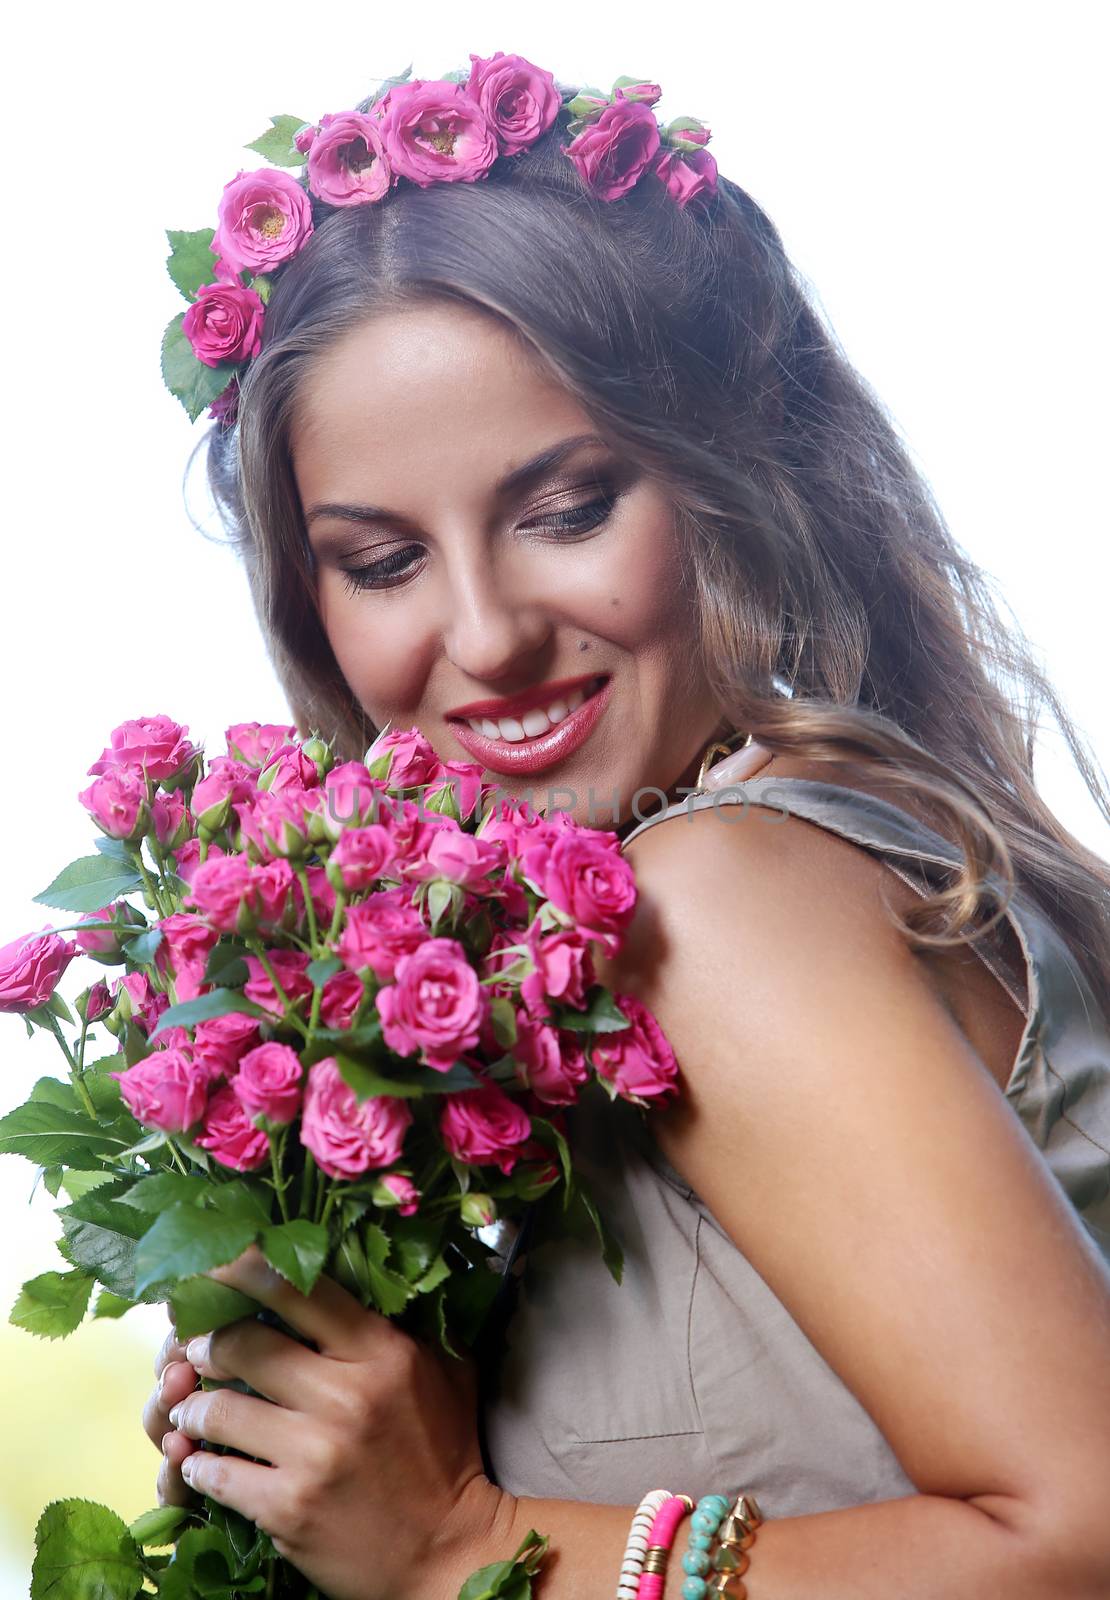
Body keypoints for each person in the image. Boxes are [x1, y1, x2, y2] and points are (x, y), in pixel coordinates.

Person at [142, 58, 1110, 1600]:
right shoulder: (805, 869)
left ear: (731, 480)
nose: (487, 636)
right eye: (381, 559)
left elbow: (1078, 1536)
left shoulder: (712, 895)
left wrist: (461, 1544)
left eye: (566, 508)